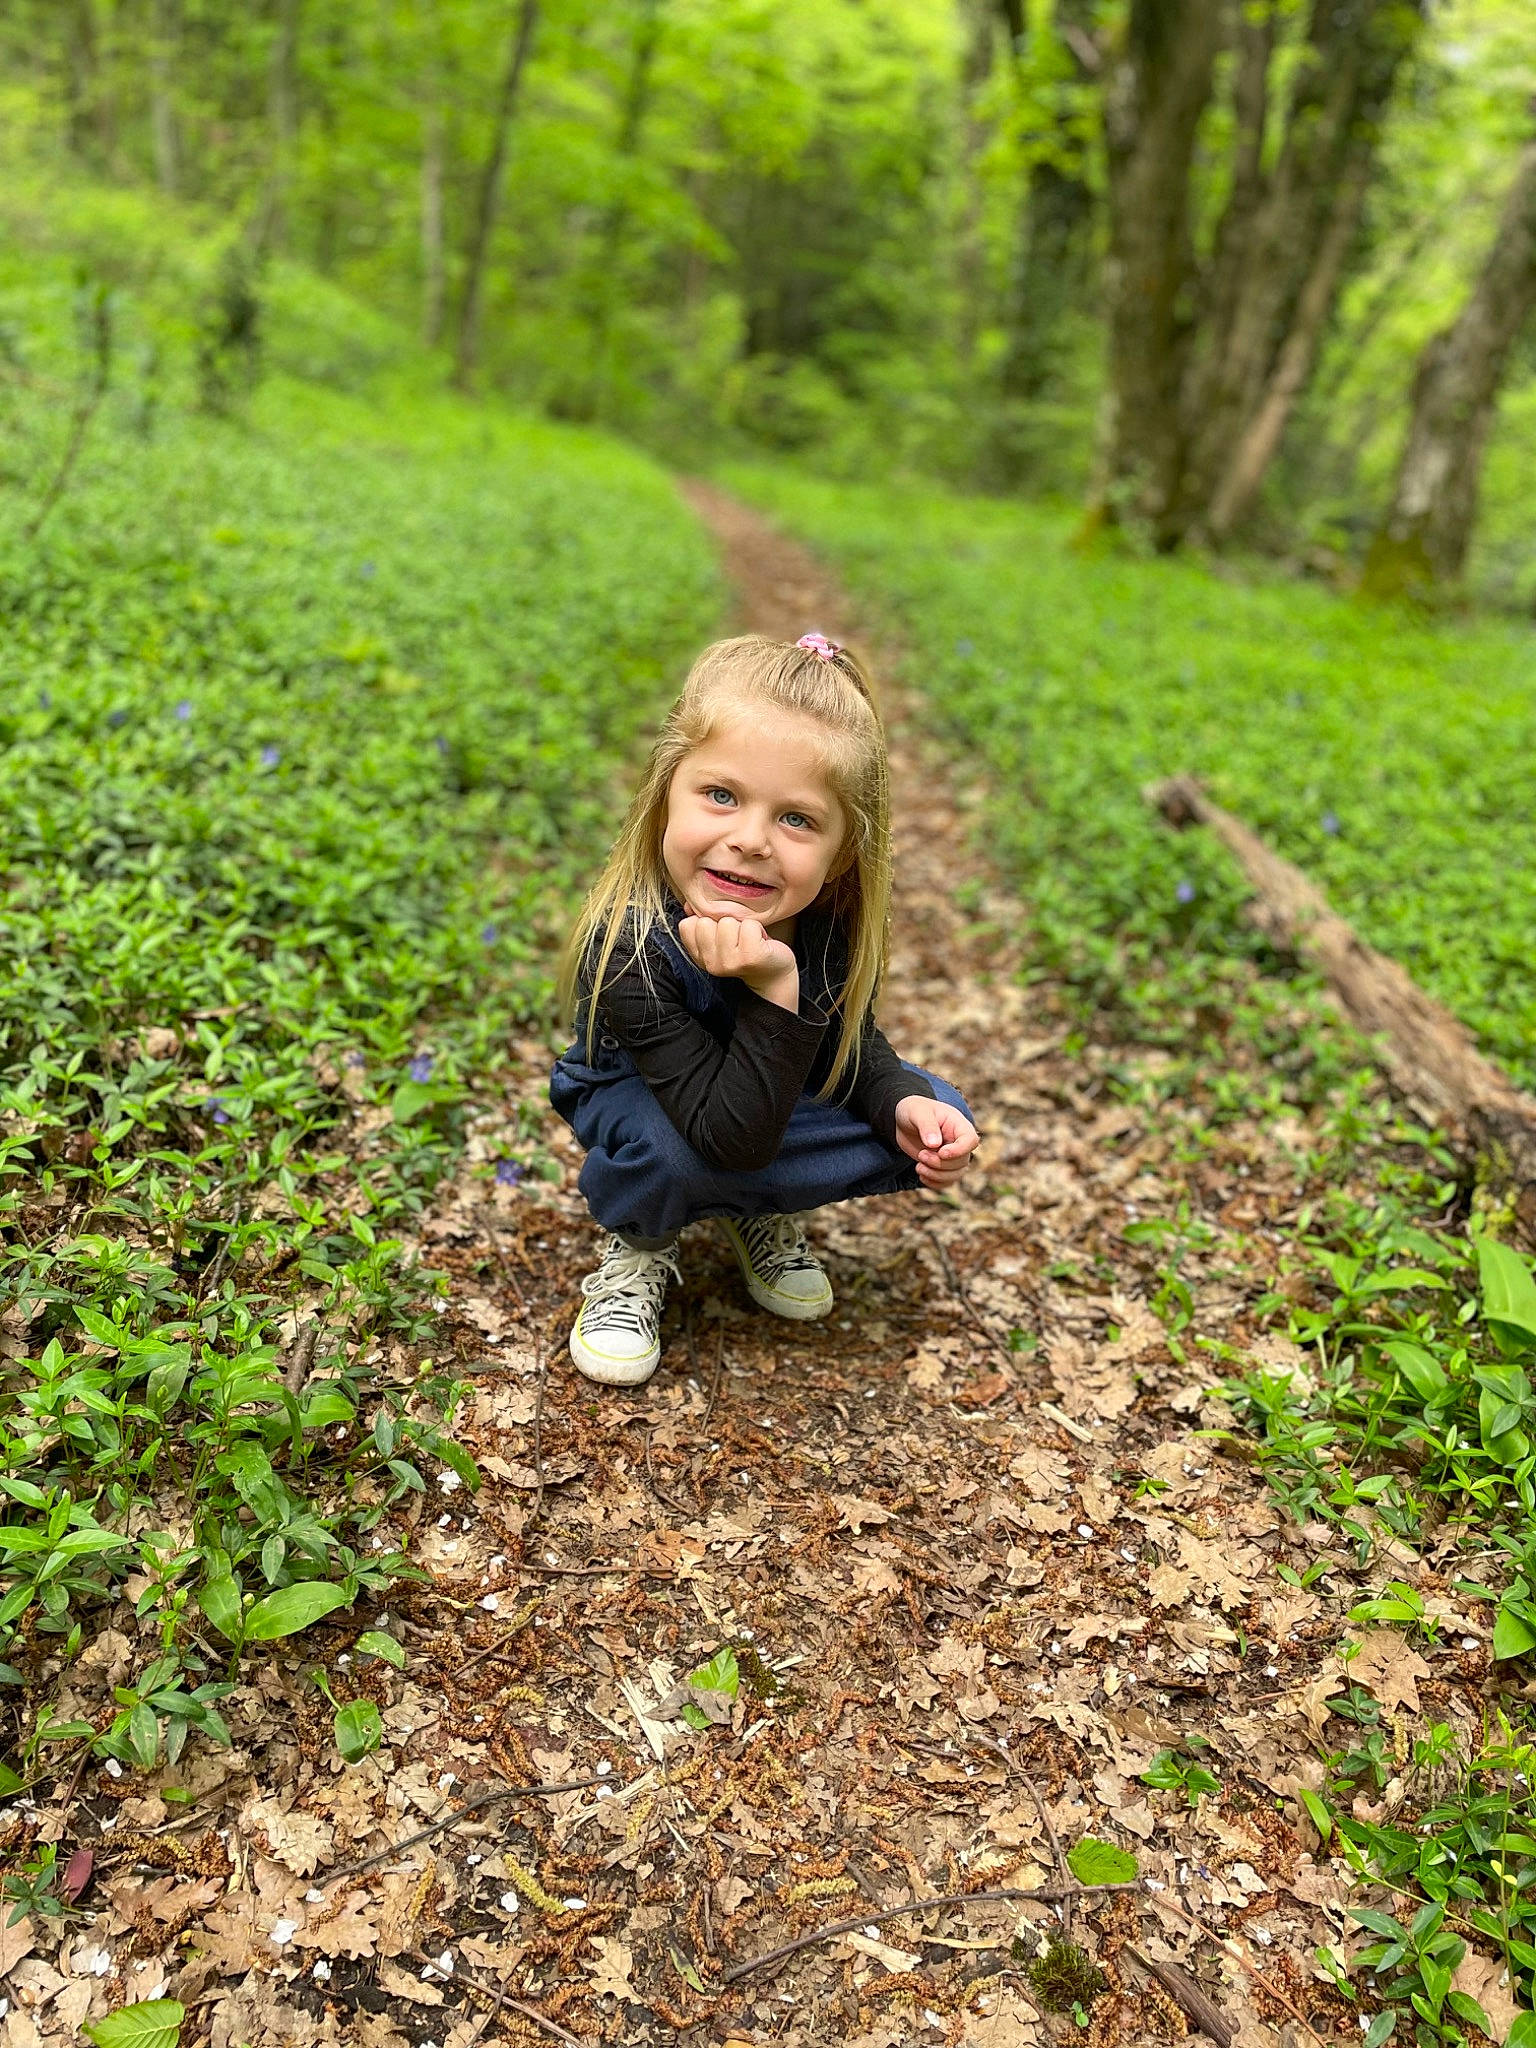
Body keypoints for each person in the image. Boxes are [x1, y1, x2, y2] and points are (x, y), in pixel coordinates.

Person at [549, 631, 979, 1386]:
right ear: (663, 796)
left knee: (936, 1108)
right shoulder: (627, 943)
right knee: (683, 1153)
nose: (749, 840)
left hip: (753, 1108)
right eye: (721, 796)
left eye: (797, 820)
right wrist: (777, 989)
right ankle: (641, 1242)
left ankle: (754, 1210)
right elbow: (728, 1137)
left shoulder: (822, 928)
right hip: (644, 1101)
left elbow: (848, 1049)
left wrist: (898, 1100)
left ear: (842, 852)